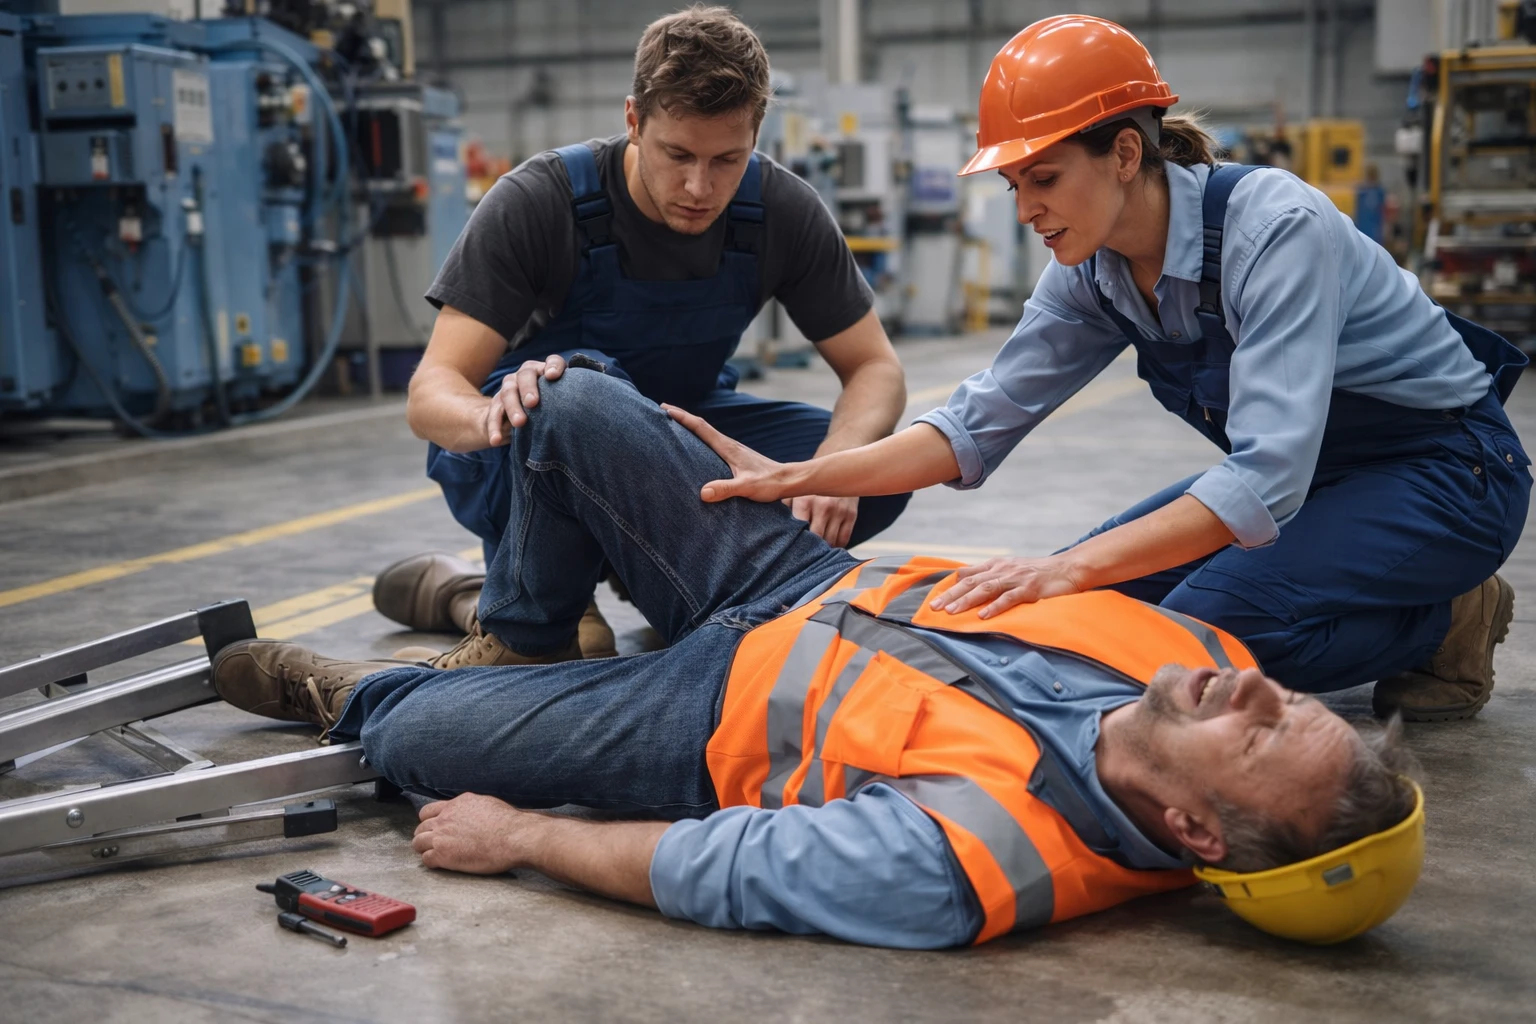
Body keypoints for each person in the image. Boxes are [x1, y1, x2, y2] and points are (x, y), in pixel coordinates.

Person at [212, 367, 1419, 949]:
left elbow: (711, 864)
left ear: (1201, 837)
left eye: (1257, 732)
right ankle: (509, 614)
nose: (1253, 684)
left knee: (412, 741)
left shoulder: (979, 863)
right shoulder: (1194, 652)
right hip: (801, 579)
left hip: (702, 712)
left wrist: (522, 836)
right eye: (1287, 699)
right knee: (570, 404)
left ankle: (364, 686)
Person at [672, 15, 1532, 722]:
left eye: (1042, 176)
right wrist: (805, 476)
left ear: (1125, 153)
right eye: (1013, 185)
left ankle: (1445, 620)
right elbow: (973, 424)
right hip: (1322, 484)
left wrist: (1072, 564)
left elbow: (1266, 475)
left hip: (1449, 472)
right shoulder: (1090, 273)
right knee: (1069, 616)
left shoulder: (1276, 231)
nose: (1026, 209)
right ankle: (1391, 603)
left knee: (1194, 634)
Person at [377, 4, 910, 667]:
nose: (699, 186)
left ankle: (658, 570)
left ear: (757, 136)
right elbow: (430, 391)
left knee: (881, 468)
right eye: (677, 154)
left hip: (678, 439)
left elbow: (875, 369)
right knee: (576, 387)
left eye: (727, 160)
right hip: (534, 459)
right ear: (634, 120)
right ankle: (498, 588)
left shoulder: (780, 210)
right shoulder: (541, 202)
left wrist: (834, 468)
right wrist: (499, 416)